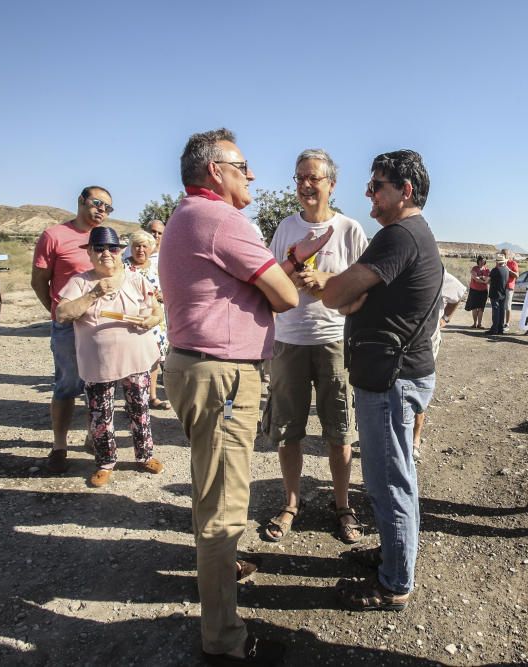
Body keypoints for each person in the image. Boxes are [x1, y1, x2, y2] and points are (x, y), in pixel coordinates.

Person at [158, 128, 330, 666]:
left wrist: (287, 260)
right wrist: (289, 271)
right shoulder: (222, 219)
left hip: (197, 368)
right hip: (223, 376)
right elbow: (281, 295)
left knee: (212, 484)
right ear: (216, 171)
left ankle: (223, 573)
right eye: (243, 164)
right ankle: (224, 640)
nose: (251, 174)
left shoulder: (187, 217)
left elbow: (243, 283)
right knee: (224, 508)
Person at [322, 149, 441, 612]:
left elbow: (336, 293)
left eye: (377, 185)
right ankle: (397, 555)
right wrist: (353, 297)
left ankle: (395, 582)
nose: (368, 193)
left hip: (391, 381)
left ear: (404, 191)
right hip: (396, 376)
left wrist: (349, 293)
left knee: (389, 482)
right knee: (396, 477)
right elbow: (349, 301)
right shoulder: (412, 235)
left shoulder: (398, 235)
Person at [263, 148, 368, 545]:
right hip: (289, 340)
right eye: (299, 178)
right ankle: (291, 503)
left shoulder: (350, 230)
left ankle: (342, 505)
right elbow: (271, 284)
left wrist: (324, 280)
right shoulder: (285, 229)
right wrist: (293, 281)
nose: (306, 185)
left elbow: (364, 286)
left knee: (339, 431)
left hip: (333, 340)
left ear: (331, 184)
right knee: (287, 431)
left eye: (314, 178)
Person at [55, 227, 165, 487]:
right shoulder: (80, 282)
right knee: (100, 413)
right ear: (90, 253)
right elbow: (62, 314)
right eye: (99, 248)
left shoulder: (136, 278)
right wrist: (95, 293)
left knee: (139, 408)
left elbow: (156, 311)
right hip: (98, 362)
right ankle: (105, 462)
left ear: (120, 252)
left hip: (136, 357)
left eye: (112, 248)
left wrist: (150, 321)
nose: (107, 253)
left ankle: (145, 455)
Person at [32, 186, 113, 473]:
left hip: (101, 326)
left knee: (100, 385)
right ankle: (59, 445)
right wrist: (57, 312)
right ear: (81, 201)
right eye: (97, 203)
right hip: (68, 326)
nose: (102, 210)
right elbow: (39, 280)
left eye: (108, 207)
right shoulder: (54, 236)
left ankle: (95, 438)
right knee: (66, 385)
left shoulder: (105, 238)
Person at [412, 269, 465, 460]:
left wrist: (446, 319)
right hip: (400, 348)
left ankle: (415, 440)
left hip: (427, 346)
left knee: (419, 393)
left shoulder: (439, 274)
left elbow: (459, 293)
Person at [124, 229, 170, 409]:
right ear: (131, 248)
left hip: (156, 321)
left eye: (144, 246)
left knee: (154, 359)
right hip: (131, 320)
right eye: (136, 246)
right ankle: (132, 402)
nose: (140, 250)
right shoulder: (123, 267)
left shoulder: (159, 267)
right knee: (132, 361)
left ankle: (152, 398)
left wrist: (162, 296)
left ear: (151, 248)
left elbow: (170, 291)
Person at [464, 255, 490, 328]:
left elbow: (488, 279)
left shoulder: (487, 270)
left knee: (481, 308)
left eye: (483, 261)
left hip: (483, 291)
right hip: (474, 291)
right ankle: (475, 323)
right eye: (480, 261)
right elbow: (475, 278)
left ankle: (479, 324)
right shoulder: (474, 269)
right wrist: (484, 280)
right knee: (474, 308)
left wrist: (481, 278)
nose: (482, 262)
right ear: (478, 261)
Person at [486, 254, 509, 334]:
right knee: (501, 311)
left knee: (495, 311)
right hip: (503, 292)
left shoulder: (495, 270)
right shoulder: (506, 270)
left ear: (497, 262)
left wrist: (484, 278)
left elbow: (487, 281)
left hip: (495, 293)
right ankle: (500, 328)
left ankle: (494, 329)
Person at [502, 247, 519, 330]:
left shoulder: (513, 263)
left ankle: (507, 324)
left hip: (509, 287)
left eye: (504, 254)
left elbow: (516, 275)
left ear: (508, 255)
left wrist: (507, 269)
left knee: (507, 306)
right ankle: (500, 322)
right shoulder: (499, 263)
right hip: (501, 287)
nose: (503, 255)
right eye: (502, 254)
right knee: (501, 306)